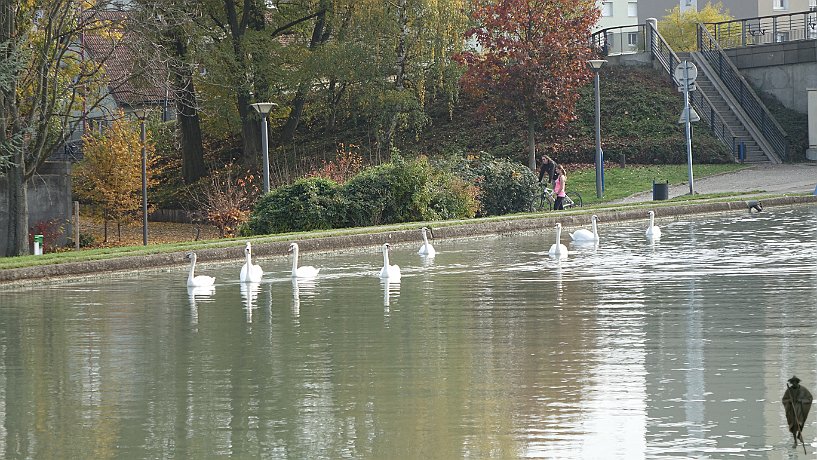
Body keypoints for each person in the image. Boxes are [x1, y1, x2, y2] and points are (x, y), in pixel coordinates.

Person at [783, 375, 813, 450]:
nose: (794, 384)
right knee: (794, 425)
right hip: (792, 410)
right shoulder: (789, 390)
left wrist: (801, 401)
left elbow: (810, 398)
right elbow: (784, 400)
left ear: (797, 382)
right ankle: (795, 441)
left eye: (795, 382)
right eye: (792, 383)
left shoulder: (803, 390)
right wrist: (789, 401)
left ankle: (799, 435)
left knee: (801, 423)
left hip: (801, 410)